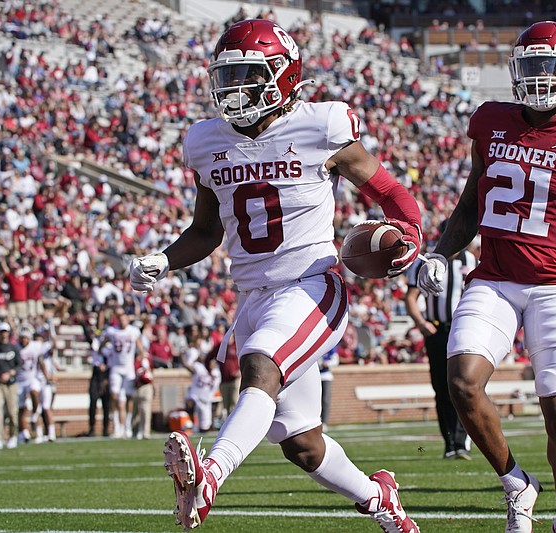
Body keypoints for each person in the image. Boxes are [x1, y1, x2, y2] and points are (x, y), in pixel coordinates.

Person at [129, 19, 422, 532]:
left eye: (247, 75)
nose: (234, 89)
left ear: (282, 76)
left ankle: (209, 476)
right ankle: (380, 499)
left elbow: (392, 193)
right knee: (302, 446)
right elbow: (205, 230)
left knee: (259, 366)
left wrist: (410, 230)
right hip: (254, 294)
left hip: (311, 283)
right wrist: (164, 259)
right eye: (228, 76)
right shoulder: (205, 140)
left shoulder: (321, 126)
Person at [418, 21, 556, 533]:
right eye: (530, 64)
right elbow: (470, 207)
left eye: (550, 65)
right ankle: (517, 483)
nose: (538, 76)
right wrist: (441, 253)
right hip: (492, 278)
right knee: (462, 384)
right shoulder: (490, 120)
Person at [405, 232, 476, 460]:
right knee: (441, 388)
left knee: (463, 385)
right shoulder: (426, 262)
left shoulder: (471, 261)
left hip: (463, 327)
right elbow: (411, 296)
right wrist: (421, 323)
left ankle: (462, 441)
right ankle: (450, 443)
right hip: (437, 329)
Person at [103, 310, 144, 439]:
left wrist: (140, 359)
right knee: (115, 397)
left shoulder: (133, 331)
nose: (122, 322)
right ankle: (117, 427)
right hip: (116, 367)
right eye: (120, 319)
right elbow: (103, 341)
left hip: (128, 368)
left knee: (129, 397)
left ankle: (127, 426)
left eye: (124, 319)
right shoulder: (112, 331)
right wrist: (101, 353)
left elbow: (141, 348)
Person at [319, 347, 339, 431]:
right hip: (315, 376)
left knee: (325, 400)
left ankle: (324, 422)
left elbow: (336, 361)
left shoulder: (331, 347)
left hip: (326, 376)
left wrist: (327, 363)